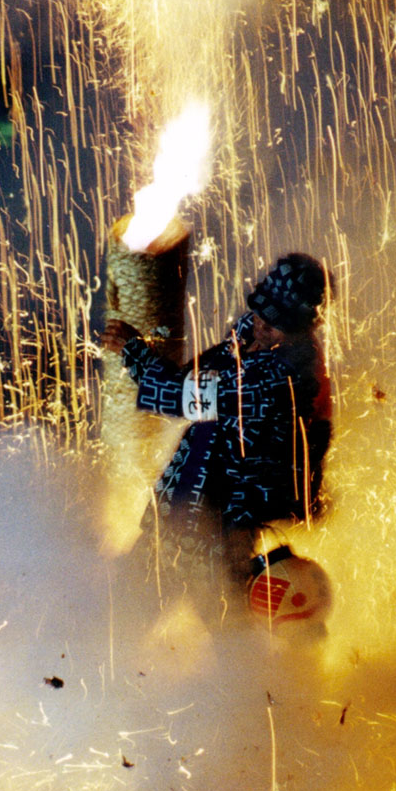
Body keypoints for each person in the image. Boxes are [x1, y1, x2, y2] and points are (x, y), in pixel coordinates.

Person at [100, 253, 332, 591]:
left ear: (300, 327)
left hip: (221, 519)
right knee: (135, 596)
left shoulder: (280, 376)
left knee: (216, 610)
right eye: (260, 311)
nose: (262, 323)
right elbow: (193, 375)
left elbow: (184, 396)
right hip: (187, 501)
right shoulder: (250, 339)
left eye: (276, 319)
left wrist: (134, 352)